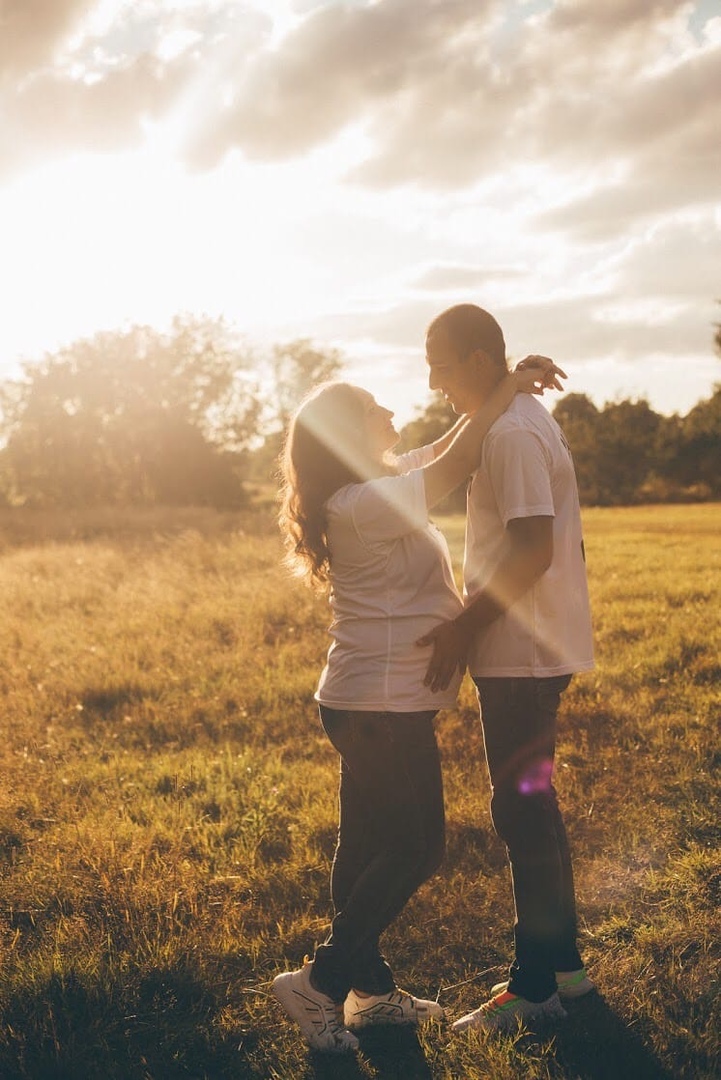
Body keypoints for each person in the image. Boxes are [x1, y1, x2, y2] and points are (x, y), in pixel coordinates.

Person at [272, 355, 565, 1053]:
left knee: (369, 843)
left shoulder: (367, 487)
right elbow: (455, 461)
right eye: (377, 408)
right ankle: (320, 980)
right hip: (380, 707)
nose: (393, 415)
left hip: (362, 701)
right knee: (416, 846)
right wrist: (504, 387)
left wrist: (496, 392)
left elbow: (439, 449)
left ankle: (369, 994)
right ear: (348, 432)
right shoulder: (365, 503)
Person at [418, 303, 595, 1034]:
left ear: (479, 358)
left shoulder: (515, 432)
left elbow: (529, 546)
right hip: (532, 646)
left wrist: (462, 629)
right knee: (535, 807)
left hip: (519, 653)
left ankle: (531, 989)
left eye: (440, 361)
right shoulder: (511, 417)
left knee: (520, 812)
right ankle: (565, 973)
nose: (431, 378)